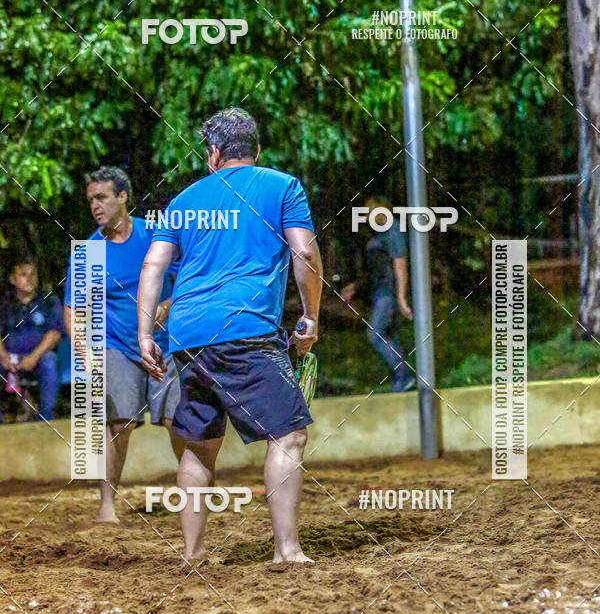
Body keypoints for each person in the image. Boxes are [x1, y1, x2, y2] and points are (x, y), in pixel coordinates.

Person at [137, 107, 322, 564]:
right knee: (289, 435)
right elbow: (304, 251)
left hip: (187, 336)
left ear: (214, 153)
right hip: (244, 329)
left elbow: (153, 266)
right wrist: (311, 316)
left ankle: (194, 554)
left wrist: (145, 334)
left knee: (199, 446)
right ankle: (287, 550)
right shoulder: (281, 186)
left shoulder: (181, 203)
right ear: (255, 150)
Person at [64, 166, 182, 523]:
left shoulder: (154, 235)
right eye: (90, 200)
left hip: (165, 343)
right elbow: (72, 309)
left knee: (177, 421)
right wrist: (84, 352)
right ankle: (107, 505)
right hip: (117, 344)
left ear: (123, 197)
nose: (95, 206)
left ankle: (194, 491)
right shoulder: (88, 251)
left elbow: (185, 278)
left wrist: (169, 304)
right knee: (118, 424)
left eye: (102, 197)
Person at [343, 197, 415, 392]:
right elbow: (375, 268)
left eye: (370, 210)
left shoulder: (393, 229)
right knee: (391, 336)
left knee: (374, 334)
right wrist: (355, 287)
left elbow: (400, 262)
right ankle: (402, 384)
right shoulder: (381, 233)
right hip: (379, 292)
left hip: (388, 293)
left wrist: (400, 296)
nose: (367, 216)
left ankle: (404, 376)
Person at [0, 258, 63, 422]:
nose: (30, 278)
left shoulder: (48, 300)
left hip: (38, 356)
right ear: (13, 279)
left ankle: (45, 419)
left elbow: (54, 334)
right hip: (8, 358)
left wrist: (34, 357)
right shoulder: (5, 303)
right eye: (23, 274)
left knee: (49, 361)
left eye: (33, 274)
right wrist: (3, 355)